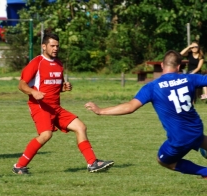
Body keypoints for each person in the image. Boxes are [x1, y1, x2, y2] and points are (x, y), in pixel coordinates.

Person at [85, 50, 207, 179]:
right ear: (179, 67)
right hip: (196, 129)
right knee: (200, 140)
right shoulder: (190, 78)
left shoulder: (152, 87)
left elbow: (130, 107)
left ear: (162, 65)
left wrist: (101, 110)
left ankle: (204, 172)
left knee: (164, 160)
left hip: (179, 137)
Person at [12, 32, 114, 174]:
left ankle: (92, 163)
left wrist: (63, 88)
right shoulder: (36, 63)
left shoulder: (59, 64)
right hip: (40, 107)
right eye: (52, 46)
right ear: (43, 46)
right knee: (46, 135)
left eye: (57, 46)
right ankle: (19, 166)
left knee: (81, 127)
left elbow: (54, 86)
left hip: (56, 108)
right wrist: (33, 92)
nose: (55, 49)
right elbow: (21, 85)